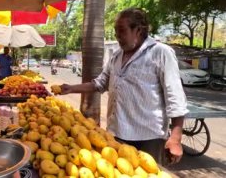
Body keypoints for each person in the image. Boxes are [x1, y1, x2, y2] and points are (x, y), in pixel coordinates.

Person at [60, 8, 188, 165]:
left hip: (148, 139)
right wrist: (71, 88)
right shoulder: (116, 56)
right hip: (117, 135)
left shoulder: (161, 53)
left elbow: (175, 97)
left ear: (138, 30)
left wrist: (175, 138)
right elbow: (100, 83)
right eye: (115, 31)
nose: (117, 36)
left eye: (121, 31)